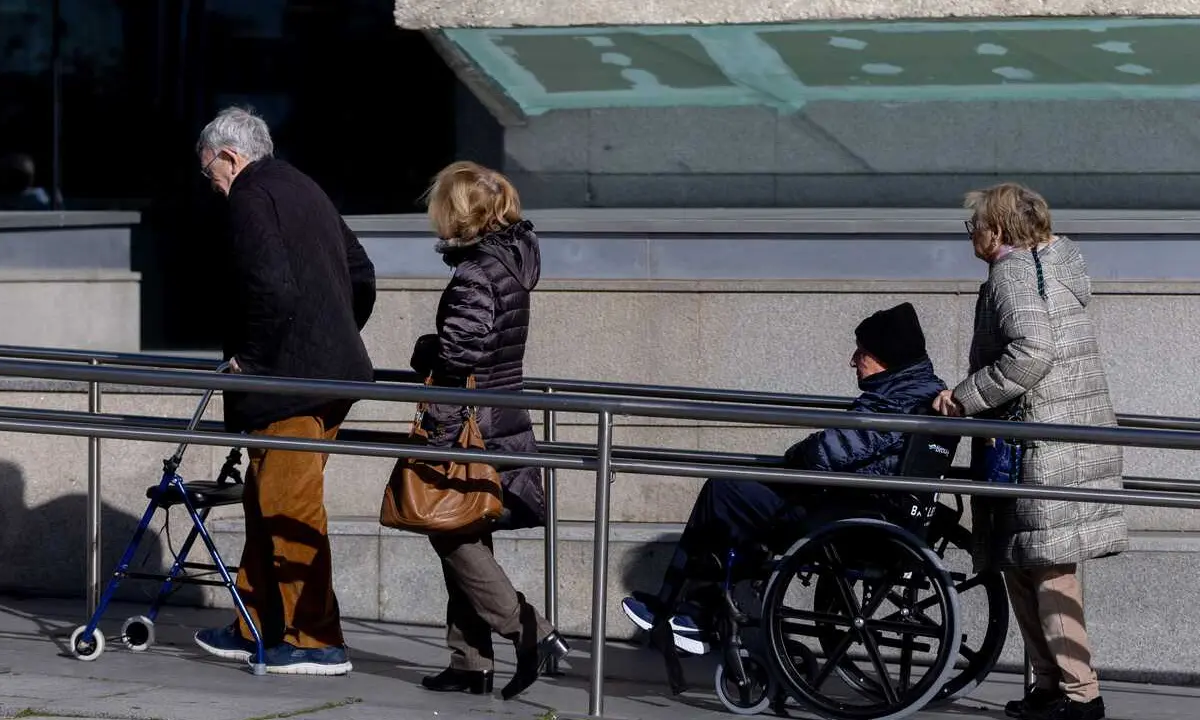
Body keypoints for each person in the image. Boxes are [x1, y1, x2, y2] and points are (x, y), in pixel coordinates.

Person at [621, 302, 948, 656]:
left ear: (887, 356)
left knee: (723, 491)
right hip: (862, 511)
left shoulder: (896, 401)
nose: (853, 361)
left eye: (862, 352)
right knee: (746, 499)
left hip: (847, 520)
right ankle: (698, 610)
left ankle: (680, 608)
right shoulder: (917, 392)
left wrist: (796, 455)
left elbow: (831, 451)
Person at [191, 106, 378, 676]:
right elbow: (362, 273)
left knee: (288, 506)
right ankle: (256, 624)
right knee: (266, 498)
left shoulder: (250, 195)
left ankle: (315, 639)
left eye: (210, 172)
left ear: (230, 157)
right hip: (326, 376)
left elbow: (270, 287)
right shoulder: (302, 185)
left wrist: (252, 358)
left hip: (287, 383)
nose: (212, 186)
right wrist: (332, 338)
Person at [934, 183, 1125, 720]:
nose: (971, 235)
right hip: (1055, 443)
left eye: (974, 225)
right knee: (1024, 563)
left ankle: (1080, 695)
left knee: (1046, 570)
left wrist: (965, 398)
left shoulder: (1013, 274)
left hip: (1040, 447)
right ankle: (1049, 686)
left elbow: (1032, 352)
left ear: (996, 229)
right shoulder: (1048, 268)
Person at [408, 161, 569, 700]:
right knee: (466, 526)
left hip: (470, 424)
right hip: (498, 416)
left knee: (449, 529)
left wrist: (427, 351)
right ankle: (470, 661)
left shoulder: (477, 272)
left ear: (459, 212)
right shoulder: (509, 262)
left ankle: (529, 630)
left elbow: (462, 351)